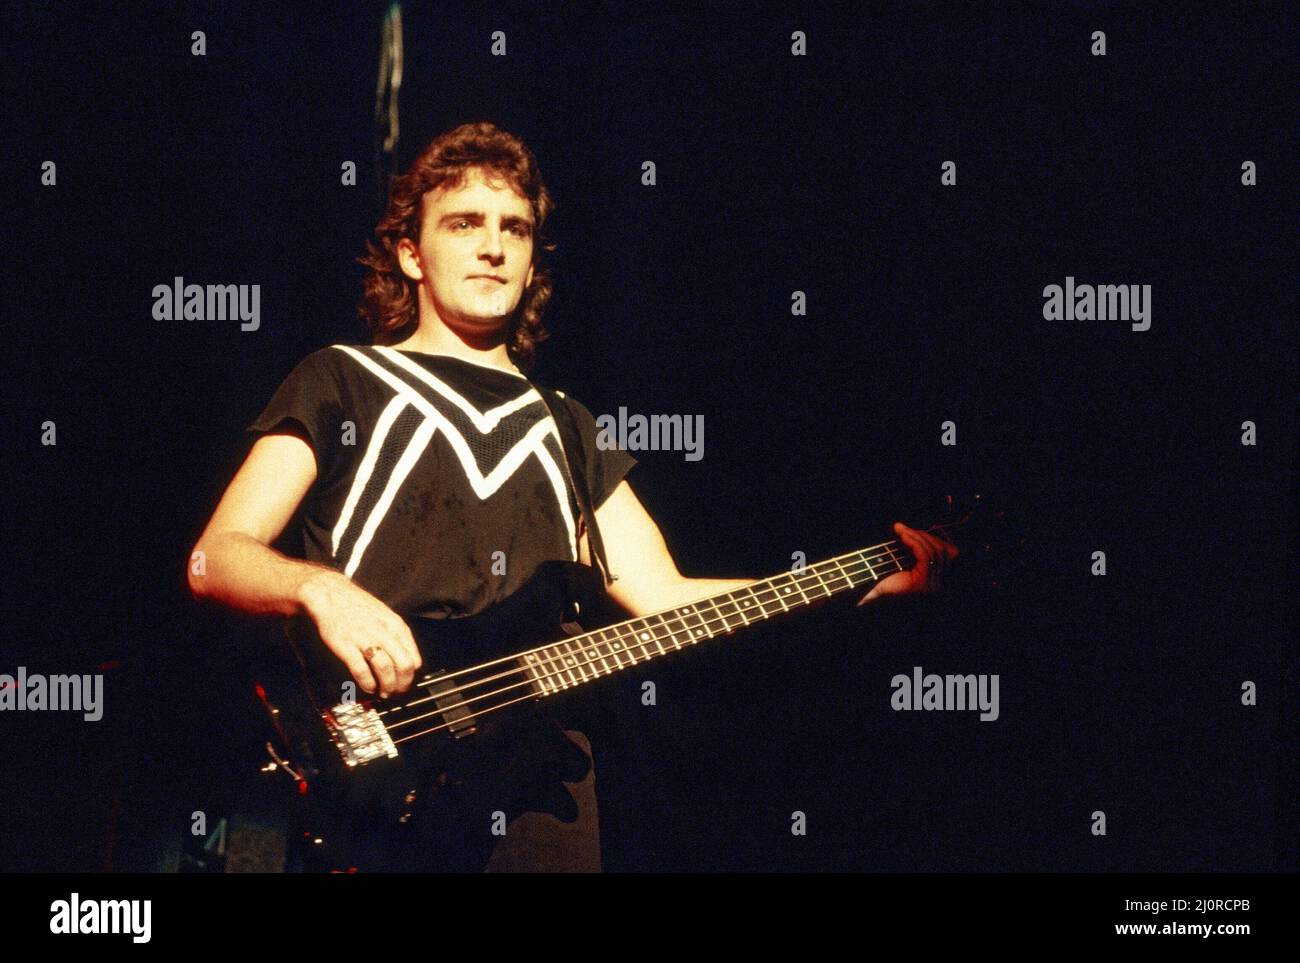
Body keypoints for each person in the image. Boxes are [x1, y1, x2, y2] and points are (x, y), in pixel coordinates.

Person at [187, 121, 957, 872]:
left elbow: (667, 596)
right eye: (464, 222)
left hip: (540, 785)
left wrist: (864, 584)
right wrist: (320, 589)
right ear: (411, 254)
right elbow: (215, 558)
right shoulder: (341, 378)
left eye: (514, 229)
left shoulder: (567, 424)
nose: (493, 245)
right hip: (375, 765)